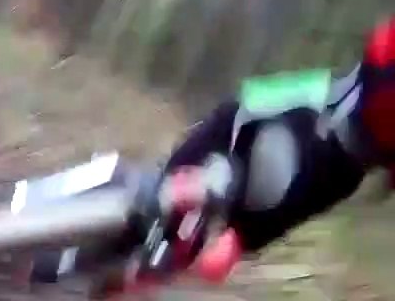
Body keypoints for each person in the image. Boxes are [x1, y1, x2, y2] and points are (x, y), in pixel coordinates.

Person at [154, 15, 395, 283]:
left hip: (344, 157)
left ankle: (191, 239)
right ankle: (163, 197)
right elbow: (380, 50)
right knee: (235, 118)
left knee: (269, 193)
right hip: (324, 107)